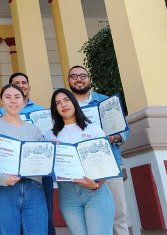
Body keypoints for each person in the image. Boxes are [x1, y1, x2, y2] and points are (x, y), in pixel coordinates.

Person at [68, 65, 129, 235]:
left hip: (110, 167)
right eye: (73, 76)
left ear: (89, 79)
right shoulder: (66, 105)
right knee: (89, 217)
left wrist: (112, 138)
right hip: (80, 170)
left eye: (82, 75)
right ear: (68, 81)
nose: (78, 79)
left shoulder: (106, 102)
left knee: (118, 214)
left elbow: (124, 130)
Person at [0, 84, 48, 235]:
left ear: (24, 101)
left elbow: (42, 160)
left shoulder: (34, 129)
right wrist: (1, 179)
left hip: (33, 188)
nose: (13, 101)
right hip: (3, 189)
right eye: (8, 97)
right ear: (1, 101)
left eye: (17, 97)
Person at [50, 88, 115, 235]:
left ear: (74, 102)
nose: (63, 105)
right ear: (55, 109)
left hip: (95, 192)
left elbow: (107, 163)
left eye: (66, 100)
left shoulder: (94, 129)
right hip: (68, 195)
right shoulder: (51, 136)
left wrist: (96, 185)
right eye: (58, 103)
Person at [7, 72, 55, 235]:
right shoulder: (2, 112)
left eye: (24, 82)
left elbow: (50, 137)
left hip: (39, 173)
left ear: (29, 86)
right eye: (16, 83)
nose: (21, 85)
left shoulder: (42, 112)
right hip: (12, 175)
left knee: (45, 218)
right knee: (15, 221)